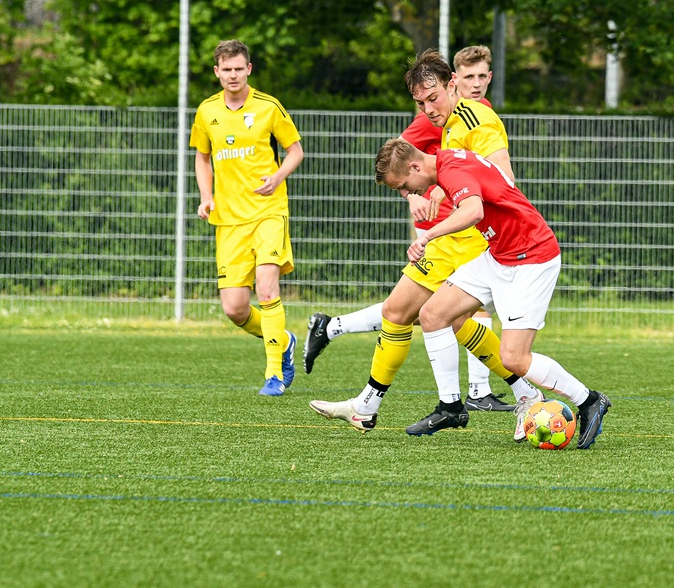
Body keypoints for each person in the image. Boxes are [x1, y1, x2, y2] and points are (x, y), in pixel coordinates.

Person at [309, 49, 542, 435]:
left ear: (452, 85)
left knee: (414, 313)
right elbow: (415, 164)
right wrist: (434, 189)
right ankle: (519, 396)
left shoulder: (476, 118)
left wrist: (455, 201)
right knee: (426, 315)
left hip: (469, 237)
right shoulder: (449, 123)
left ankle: (504, 398)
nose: (428, 109)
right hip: (455, 235)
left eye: (432, 98)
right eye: (421, 103)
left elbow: (502, 178)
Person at [375, 138, 612, 449]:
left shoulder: (451, 169)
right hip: (498, 255)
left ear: (415, 167)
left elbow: (473, 211)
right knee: (432, 314)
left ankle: (589, 400)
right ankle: (451, 407)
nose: (406, 194)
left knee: (514, 358)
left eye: (404, 186)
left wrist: (427, 236)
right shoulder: (447, 163)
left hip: (531, 259)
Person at [191, 40, 303, 396]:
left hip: (268, 212)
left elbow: (295, 151)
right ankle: (283, 340)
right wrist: (206, 197)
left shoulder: (269, 106)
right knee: (235, 309)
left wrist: (278, 177)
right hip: (228, 220)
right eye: (227, 69)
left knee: (267, 288)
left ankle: (274, 374)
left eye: (239, 68)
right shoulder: (207, 111)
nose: (233, 75)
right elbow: (202, 157)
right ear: (217, 72)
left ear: (249, 69)